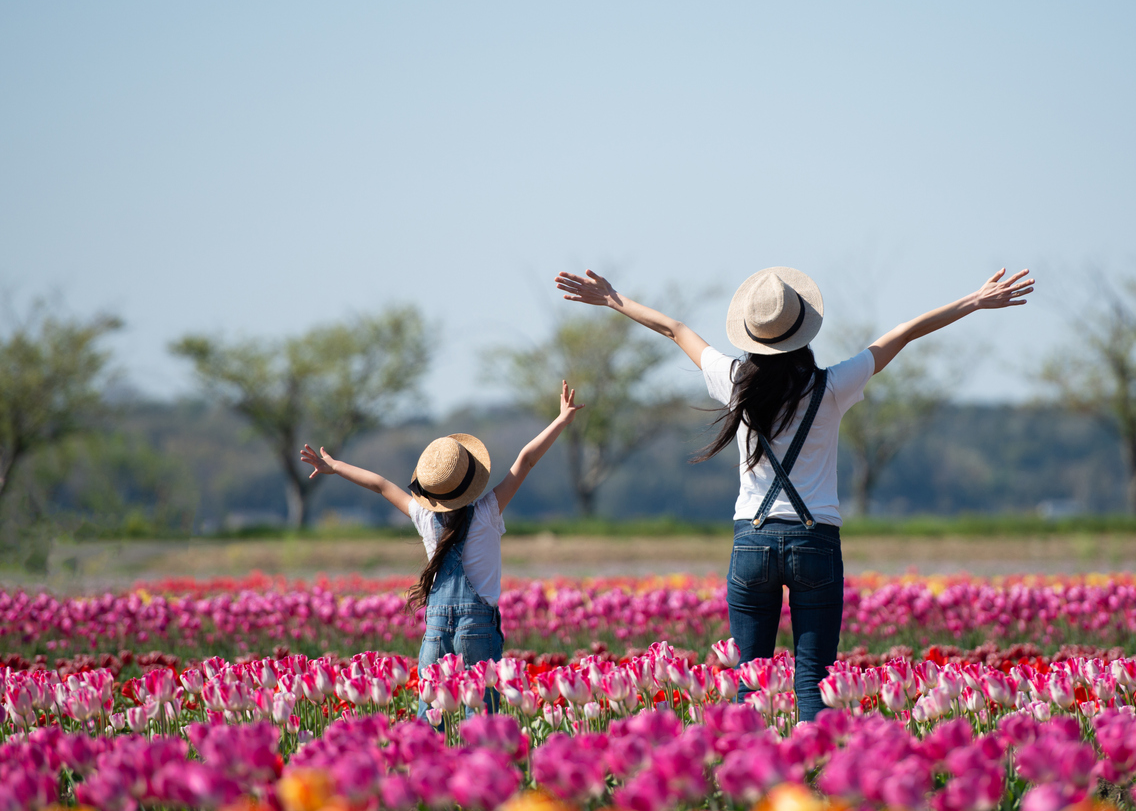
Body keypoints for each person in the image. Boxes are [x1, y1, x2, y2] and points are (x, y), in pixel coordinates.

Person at [554, 265, 1033, 720]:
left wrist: (612, 300)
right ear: (804, 331)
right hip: (815, 542)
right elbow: (903, 332)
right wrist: (974, 300)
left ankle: (750, 775)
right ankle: (815, 781)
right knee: (813, 679)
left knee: (749, 680)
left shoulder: (734, 381)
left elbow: (675, 328)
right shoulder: (832, 385)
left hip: (752, 542)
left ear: (750, 334)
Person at [299, 380, 584, 715]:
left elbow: (379, 485)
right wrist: (562, 420)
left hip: (435, 627)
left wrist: (334, 467)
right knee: (479, 717)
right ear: (472, 480)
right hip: (477, 627)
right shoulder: (489, 510)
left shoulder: (422, 515)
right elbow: (526, 459)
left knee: (431, 714)